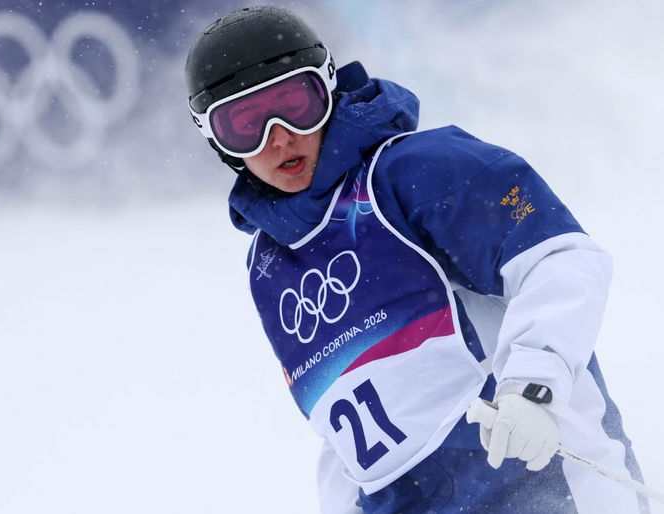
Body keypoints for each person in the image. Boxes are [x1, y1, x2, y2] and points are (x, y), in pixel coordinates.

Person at [185, 5, 648, 513]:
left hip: (538, 480)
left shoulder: (415, 172)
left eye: (295, 104)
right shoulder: (269, 268)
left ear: (328, 87)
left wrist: (533, 387)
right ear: (216, 141)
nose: (278, 136)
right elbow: (343, 438)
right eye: (245, 123)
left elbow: (560, 258)